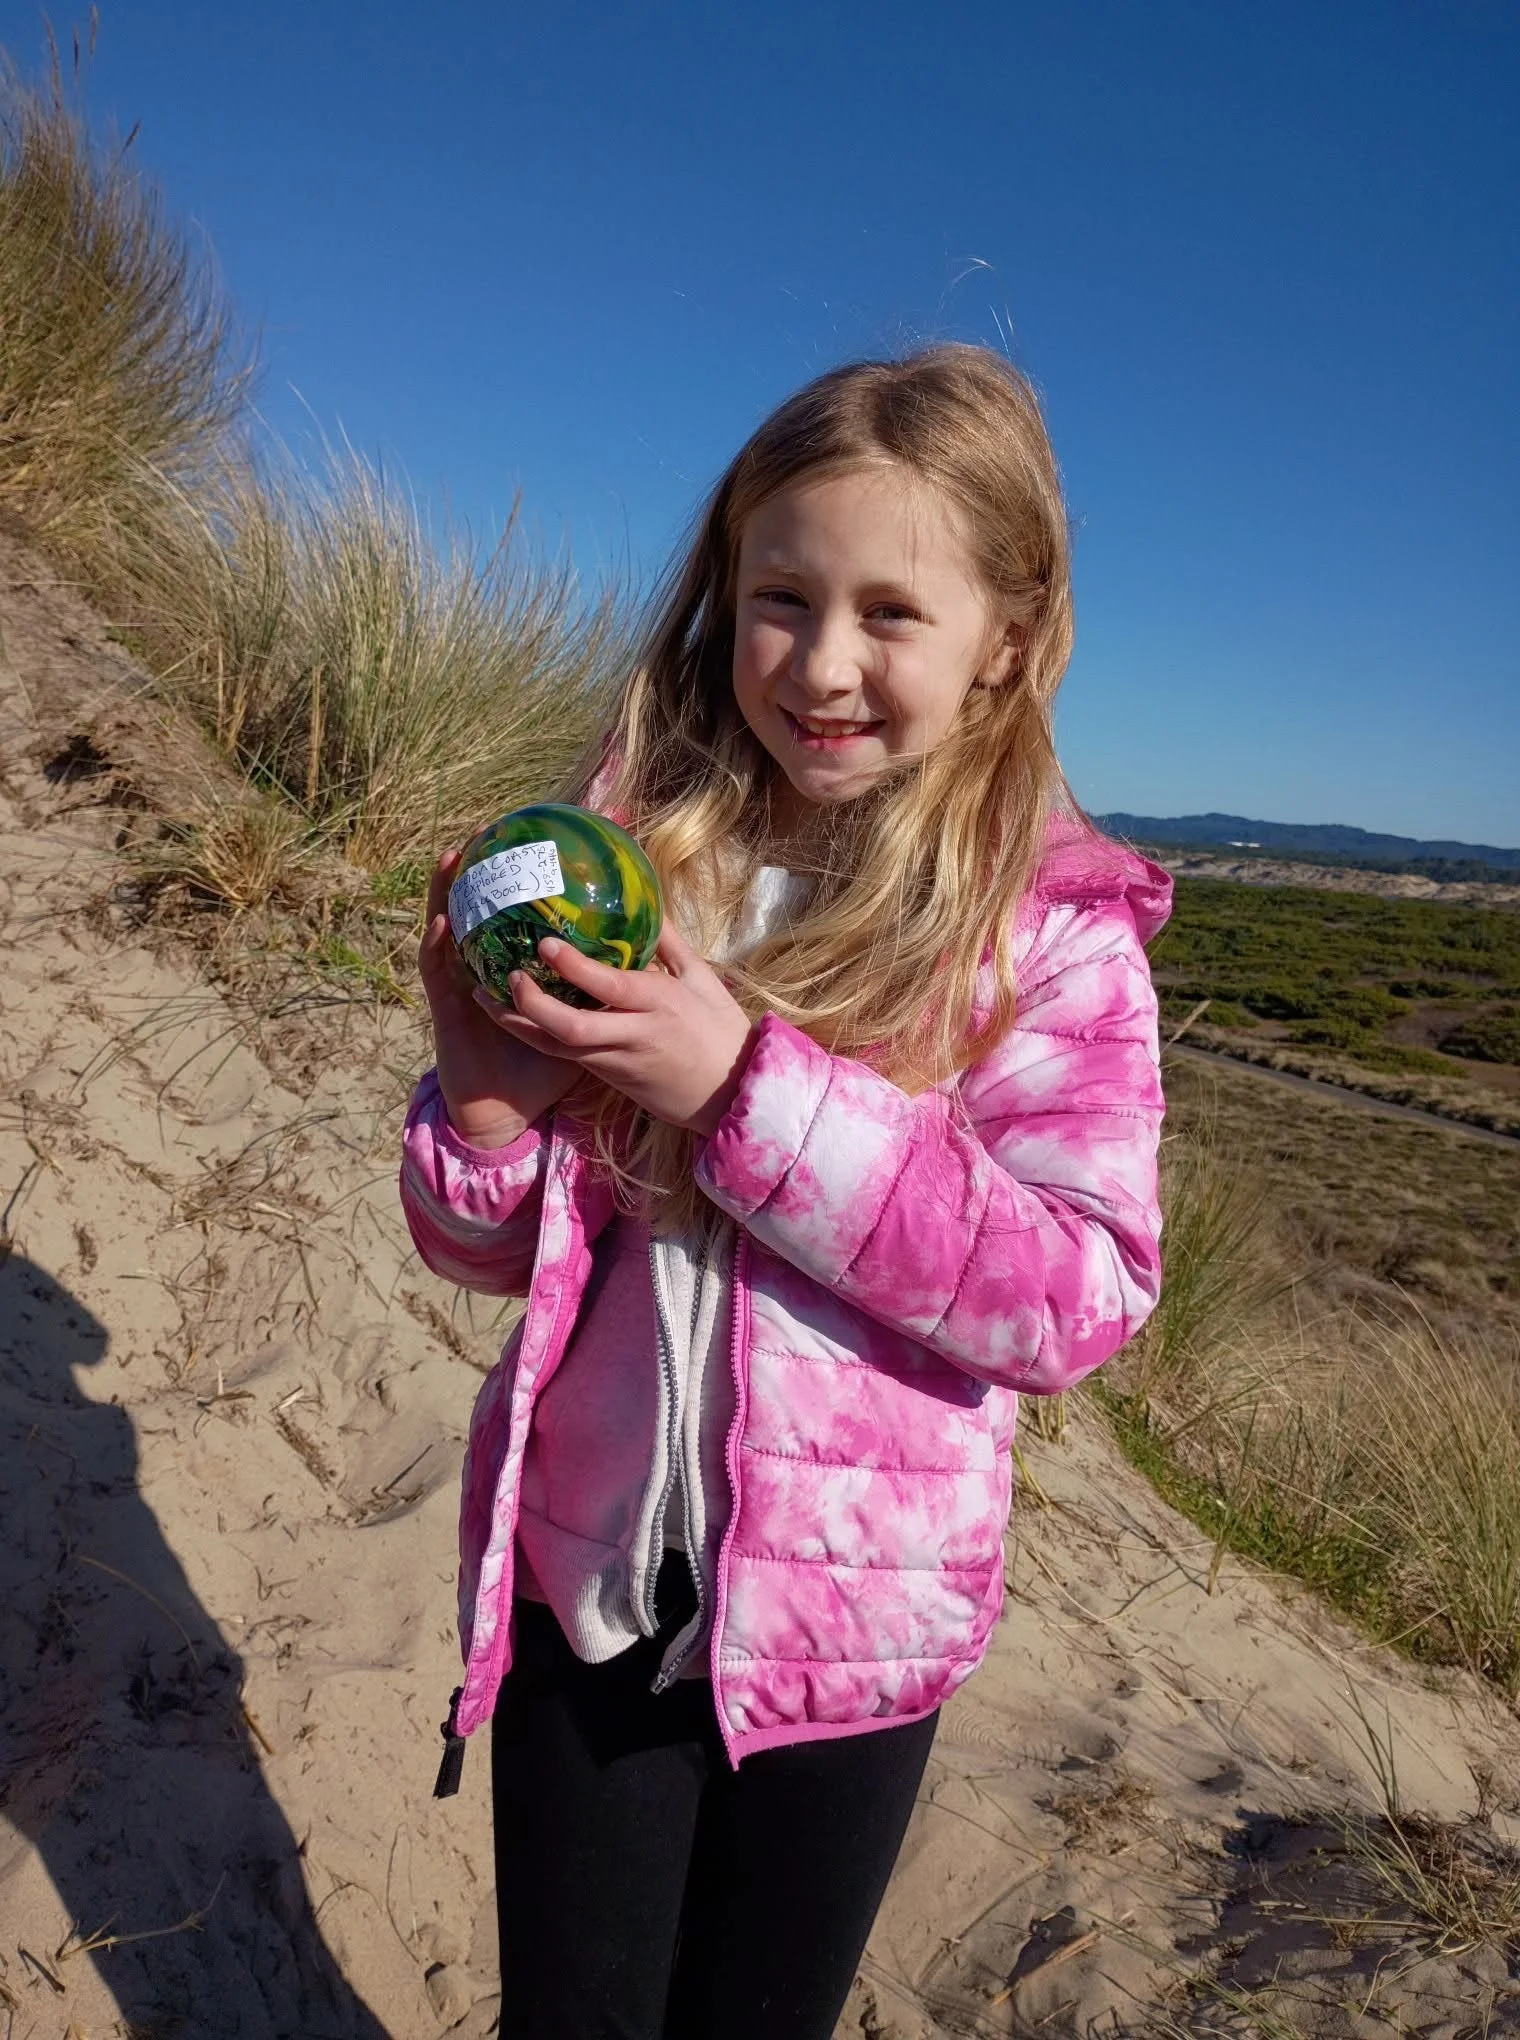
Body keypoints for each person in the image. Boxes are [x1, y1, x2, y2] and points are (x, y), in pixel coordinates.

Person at [400, 343, 1171, 2039]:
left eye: (891, 613)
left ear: (1007, 641)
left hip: (848, 1650)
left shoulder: (1048, 936)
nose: (823, 664)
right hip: (586, 1597)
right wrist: (487, 1116)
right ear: (724, 593)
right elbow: (489, 1254)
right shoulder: (636, 867)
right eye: (781, 599)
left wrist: (742, 1092)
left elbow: (1079, 1292)